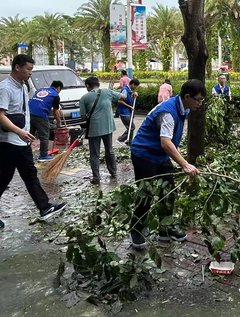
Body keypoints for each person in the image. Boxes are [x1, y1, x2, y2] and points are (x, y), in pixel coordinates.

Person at [128, 80, 205, 250]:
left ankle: (166, 228)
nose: (199, 104)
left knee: (168, 191)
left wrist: (178, 158)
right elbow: (165, 142)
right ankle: (136, 230)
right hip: (144, 154)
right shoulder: (168, 112)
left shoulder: (183, 107)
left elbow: (170, 141)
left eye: (201, 101)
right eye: (198, 100)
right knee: (146, 193)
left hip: (160, 155)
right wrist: (185, 164)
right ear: (187, 96)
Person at [0, 55, 66, 229]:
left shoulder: (23, 87)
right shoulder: (5, 88)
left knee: (29, 174)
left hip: (19, 140)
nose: (30, 73)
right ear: (17, 67)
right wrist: (20, 132)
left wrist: (24, 134)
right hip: (6, 140)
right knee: (5, 177)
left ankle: (45, 207)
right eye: (28, 69)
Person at [80, 76, 126, 184]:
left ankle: (96, 177)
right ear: (98, 84)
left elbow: (83, 116)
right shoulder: (107, 92)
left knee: (94, 154)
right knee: (109, 150)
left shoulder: (84, 98)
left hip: (94, 128)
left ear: (87, 86)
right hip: (108, 127)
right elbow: (123, 96)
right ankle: (113, 172)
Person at [29, 80, 63, 162]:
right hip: (40, 115)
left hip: (29, 112)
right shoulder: (55, 95)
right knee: (44, 135)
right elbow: (55, 111)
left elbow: (41, 103)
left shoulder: (40, 90)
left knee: (29, 135)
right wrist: (59, 122)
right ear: (58, 88)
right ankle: (43, 155)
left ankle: (24, 152)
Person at [116, 78, 140, 146]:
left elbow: (126, 98)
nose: (135, 88)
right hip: (124, 112)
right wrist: (129, 106)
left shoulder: (128, 90)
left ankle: (129, 142)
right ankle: (121, 139)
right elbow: (120, 101)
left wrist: (133, 96)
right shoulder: (125, 90)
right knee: (131, 127)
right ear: (132, 84)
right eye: (135, 86)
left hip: (128, 112)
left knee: (130, 128)